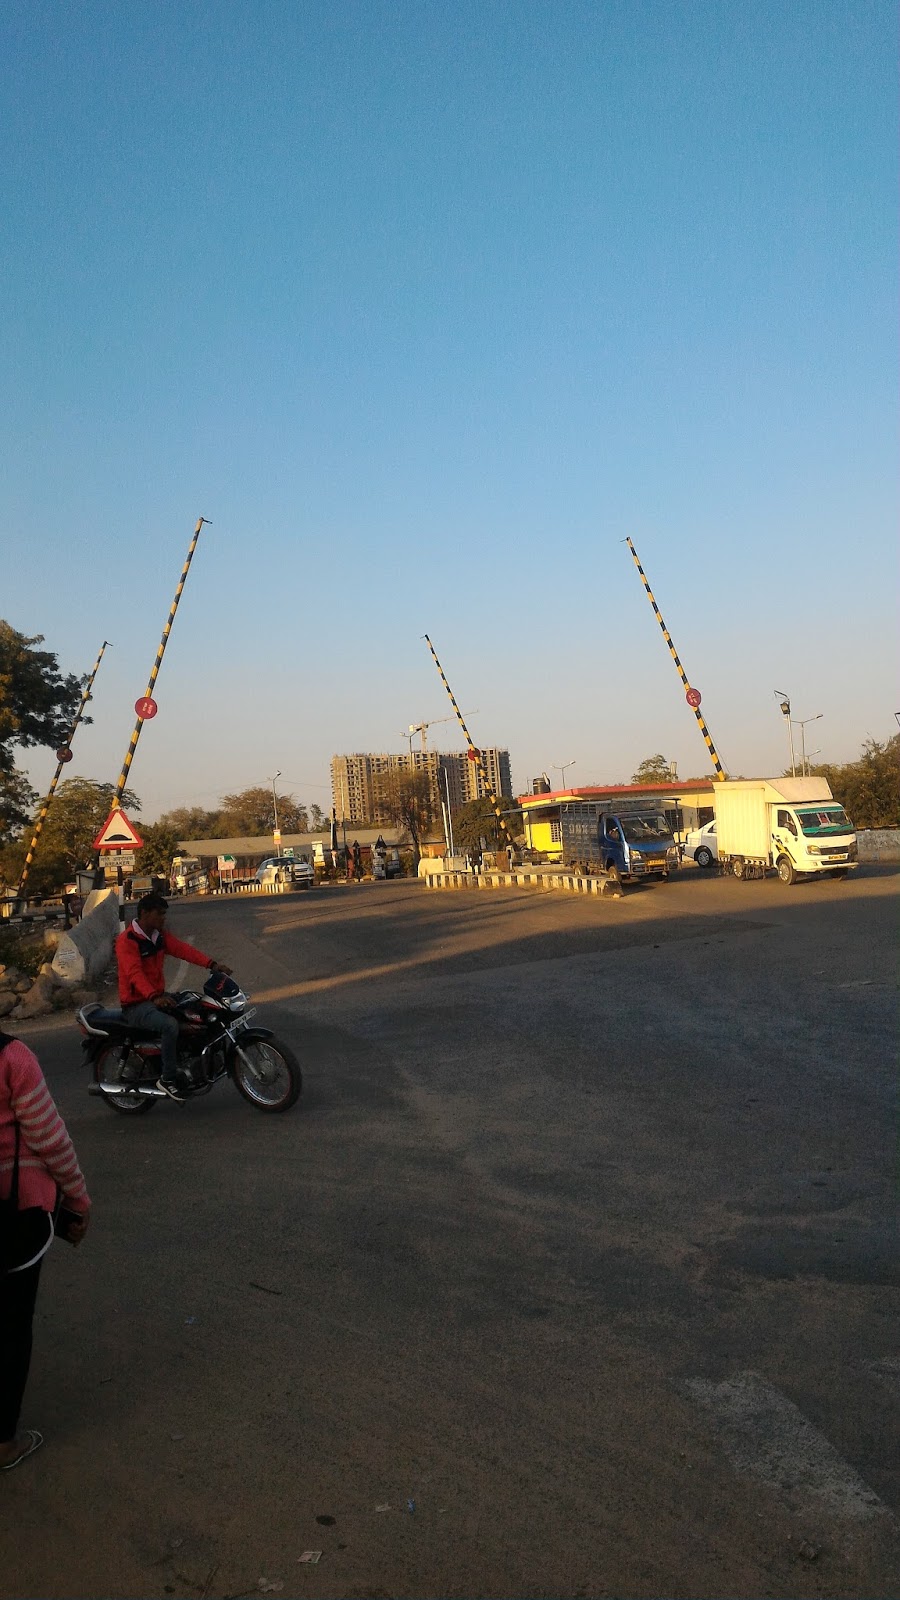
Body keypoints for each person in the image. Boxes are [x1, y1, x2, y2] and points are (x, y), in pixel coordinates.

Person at [0, 1029, 91, 1470]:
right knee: (11, 1329)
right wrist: (77, 1197)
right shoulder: (11, 1056)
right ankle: (3, 1442)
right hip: (12, 1220)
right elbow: (48, 1138)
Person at [115, 892, 231, 1104]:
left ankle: (186, 1061)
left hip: (157, 997)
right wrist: (154, 996)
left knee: (196, 1005)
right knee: (169, 1025)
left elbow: (183, 950)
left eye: (164, 915)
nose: (163, 919)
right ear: (144, 914)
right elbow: (134, 973)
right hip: (136, 1005)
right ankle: (167, 1079)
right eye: (159, 914)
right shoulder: (127, 940)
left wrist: (212, 965)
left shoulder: (159, 936)